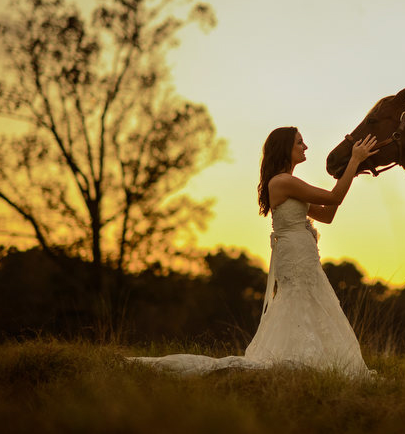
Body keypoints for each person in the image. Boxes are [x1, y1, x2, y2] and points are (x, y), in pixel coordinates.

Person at [128, 127, 378, 377]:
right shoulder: (283, 182)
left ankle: (318, 360)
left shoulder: (290, 185)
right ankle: (303, 358)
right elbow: (334, 197)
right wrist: (354, 160)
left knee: (309, 300)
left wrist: (350, 172)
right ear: (285, 149)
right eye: (300, 143)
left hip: (303, 252)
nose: (305, 147)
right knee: (299, 299)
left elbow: (327, 214)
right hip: (294, 255)